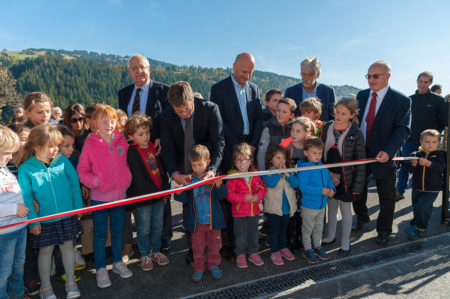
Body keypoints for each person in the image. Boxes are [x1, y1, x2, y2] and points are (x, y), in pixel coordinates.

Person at [160, 81, 224, 262]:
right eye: (179, 111)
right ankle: (194, 249)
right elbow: (167, 148)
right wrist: (174, 173)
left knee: (212, 206)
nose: (184, 114)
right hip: (183, 168)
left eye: (187, 110)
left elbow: (219, 142)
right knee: (190, 208)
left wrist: (212, 170)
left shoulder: (210, 109)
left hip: (206, 165)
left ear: (193, 99)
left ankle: (214, 248)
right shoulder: (166, 116)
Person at [18, 125, 83, 299]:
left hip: (67, 215)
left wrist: (78, 207)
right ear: (37, 147)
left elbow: (74, 184)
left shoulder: (63, 161)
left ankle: (71, 282)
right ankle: (46, 287)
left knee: (68, 247)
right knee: (45, 251)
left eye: (57, 145)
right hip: (43, 219)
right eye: (52, 146)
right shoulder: (26, 168)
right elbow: (26, 197)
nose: (56, 150)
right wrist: (33, 220)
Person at [352, 61, 411, 246]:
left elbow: (403, 129)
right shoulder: (361, 96)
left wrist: (388, 151)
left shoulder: (401, 100)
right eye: (368, 76)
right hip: (361, 152)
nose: (371, 80)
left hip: (384, 154)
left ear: (388, 76)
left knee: (386, 196)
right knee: (357, 190)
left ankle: (384, 230)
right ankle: (362, 218)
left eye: (375, 76)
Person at [77, 104, 133, 288]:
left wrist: (126, 179)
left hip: (120, 196)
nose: (109, 124)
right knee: (100, 234)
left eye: (112, 121)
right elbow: (82, 170)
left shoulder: (121, 141)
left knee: (117, 231)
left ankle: (117, 262)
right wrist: (94, 182)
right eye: (104, 121)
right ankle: (101, 268)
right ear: (94, 123)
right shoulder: (90, 144)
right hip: (100, 197)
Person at [174, 145, 228, 281]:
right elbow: (183, 198)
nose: (197, 168)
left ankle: (213, 265)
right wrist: (179, 192)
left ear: (208, 162)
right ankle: (198, 267)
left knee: (214, 246)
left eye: (200, 164)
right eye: (194, 165)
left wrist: (220, 185)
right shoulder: (189, 179)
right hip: (196, 223)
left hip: (212, 223)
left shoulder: (213, 178)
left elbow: (223, 196)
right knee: (197, 247)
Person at [320, 98, 366, 255]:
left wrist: (357, 186)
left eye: (343, 114)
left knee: (345, 209)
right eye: (337, 112)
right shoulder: (327, 127)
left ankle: (345, 241)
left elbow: (361, 162)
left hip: (347, 178)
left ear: (352, 115)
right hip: (328, 174)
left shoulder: (356, 133)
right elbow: (320, 151)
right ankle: (330, 235)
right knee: (331, 206)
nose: (338, 116)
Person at [124, 114, 170, 271]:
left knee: (158, 225)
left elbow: (162, 171)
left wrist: (164, 189)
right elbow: (137, 177)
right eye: (140, 134)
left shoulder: (154, 147)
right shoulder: (132, 152)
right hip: (144, 198)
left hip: (158, 196)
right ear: (131, 136)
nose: (145, 137)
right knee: (144, 228)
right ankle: (144, 253)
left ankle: (155, 251)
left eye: (147, 133)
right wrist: (153, 193)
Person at [396, 72, 447, 200]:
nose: (422, 85)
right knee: (406, 166)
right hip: (411, 140)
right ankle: (400, 191)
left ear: (430, 83)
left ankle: (426, 195)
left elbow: (444, 119)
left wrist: (436, 132)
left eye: (426, 82)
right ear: (417, 81)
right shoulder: (409, 99)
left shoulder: (438, 100)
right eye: (420, 81)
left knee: (429, 167)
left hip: (430, 143)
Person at [210, 52, 263, 172]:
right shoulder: (218, 89)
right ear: (234, 67)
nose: (247, 76)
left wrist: (253, 145)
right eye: (244, 72)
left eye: (251, 72)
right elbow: (219, 121)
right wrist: (238, 146)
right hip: (229, 150)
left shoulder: (254, 89)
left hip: (251, 149)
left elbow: (259, 118)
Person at [118, 54, 170, 154]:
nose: (138, 71)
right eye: (134, 68)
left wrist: (161, 137)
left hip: (154, 147)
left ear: (149, 69)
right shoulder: (123, 93)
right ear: (129, 71)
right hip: (129, 149)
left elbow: (168, 120)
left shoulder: (164, 91)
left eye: (142, 67)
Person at [226, 143, 266, 268]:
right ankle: (241, 254)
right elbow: (229, 195)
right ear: (234, 162)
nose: (242, 162)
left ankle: (253, 252)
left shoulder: (255, 174)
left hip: (253, 211)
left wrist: (257, 197)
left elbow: (262, 188)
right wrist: (243, 198)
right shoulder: (232, 177)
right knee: (240, 235)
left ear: (251, 161)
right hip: (239, 213)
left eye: (245, 159)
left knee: (254, 234)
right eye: (239, 160)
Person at [0, 125, 29, 299]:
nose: (11, 157)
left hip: (19, 228)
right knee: (3, 271)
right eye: (6, 153)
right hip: (4, 233)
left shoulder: (5, 170)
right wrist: (14, 209)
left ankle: (17, 294)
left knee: (19, 265)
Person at [297, 138, 335, 264]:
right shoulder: (303, 168)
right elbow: (304, 187)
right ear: (306, 153)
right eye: (314, 153)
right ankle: (307, 249)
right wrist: (321, 190)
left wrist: (332, 189)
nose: (317, 156)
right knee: (308, 229)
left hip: (322, 205)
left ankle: (317, 246)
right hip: (309, 206)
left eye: (319, 153)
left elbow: (328, 180)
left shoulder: (322, 166)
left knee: (319, 227)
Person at [405, 129, 446, 240]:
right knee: (416, 207)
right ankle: (415, 223)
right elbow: (409, 169)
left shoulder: (440, 154)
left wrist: (429, 163)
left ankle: (420, 228)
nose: (430, 144)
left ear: (439, 143)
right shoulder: (416, 154)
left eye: (434, 142)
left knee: (423, 207)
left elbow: (441, 168)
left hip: (432, 189)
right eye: (427, 142)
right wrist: (412, 164)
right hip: (417, 187)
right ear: (421, 142)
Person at [262, 146, 298, 265]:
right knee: (274, 231)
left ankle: (283, 247)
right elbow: (271, 184)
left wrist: (287, 174)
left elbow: (295, 184)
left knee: (283, 230)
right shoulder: (267, 173)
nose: (281, 161)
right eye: (278, 158)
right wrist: (279, 173)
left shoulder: (289, 172)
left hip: (287, 208)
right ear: (271, 160)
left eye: (283, 158)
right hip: (273, 209)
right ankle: (275, 251)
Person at [257, 98, 296, 170]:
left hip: (290, 170)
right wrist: (263, 173)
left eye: (284, 112)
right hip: (272, 171)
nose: (280, 114)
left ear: (291, 115)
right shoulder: (268, 129)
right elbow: (262, 153)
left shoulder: (295, 128)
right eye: (278, 110)